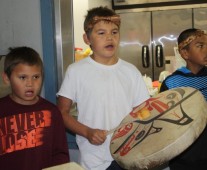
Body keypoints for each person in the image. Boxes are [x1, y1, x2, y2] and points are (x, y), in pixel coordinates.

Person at [57, 6, 149, 170]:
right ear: (87, 39)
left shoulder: (131, 72)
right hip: (94, 161)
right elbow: (62, 113)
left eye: (114, 32)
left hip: (128, 157)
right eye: (101, 33)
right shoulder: (76, 71)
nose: (109, 38)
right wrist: (87, 132)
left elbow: (143, 112)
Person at [160, 28, 207, 170]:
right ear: (185, 53)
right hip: (181, 159)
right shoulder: (171, 83)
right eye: (200, 46)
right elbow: (164, 125)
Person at [0, 47, 70, 170]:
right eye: (22, 77)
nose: (30, 84)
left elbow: (60, 154)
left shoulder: (52, 111)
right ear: (6, 78)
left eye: (36, 77)